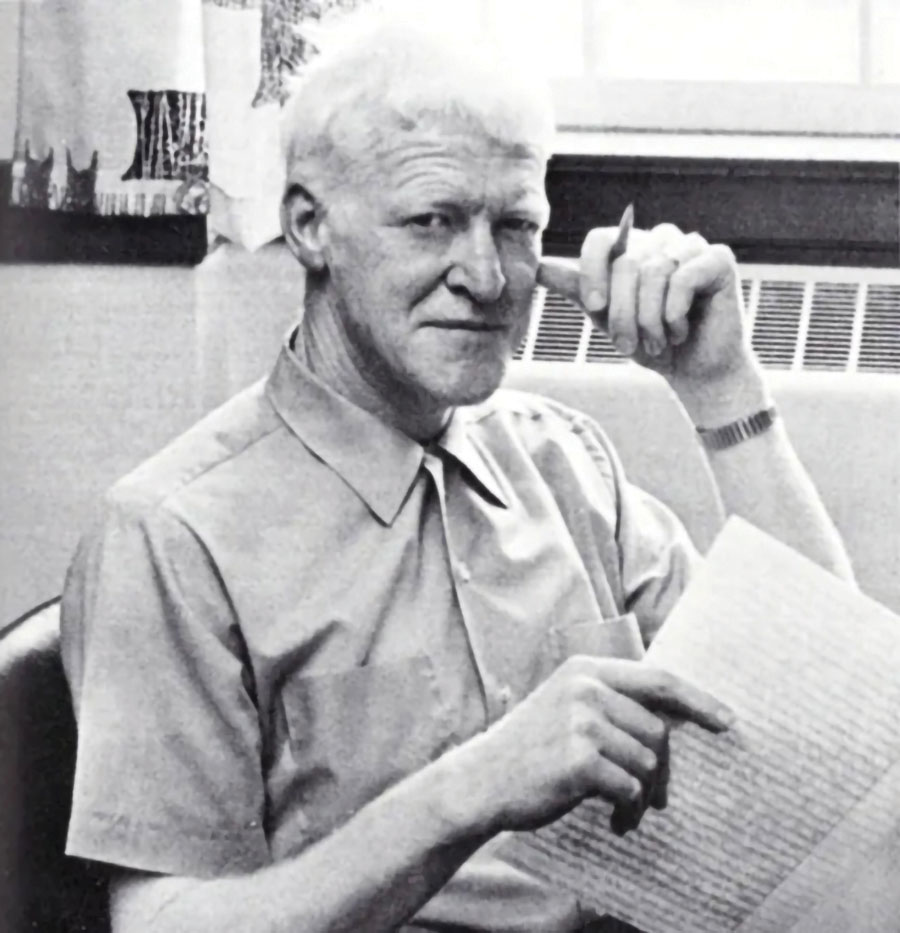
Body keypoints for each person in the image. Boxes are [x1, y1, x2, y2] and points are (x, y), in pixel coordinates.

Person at [59, 9, 854, 933]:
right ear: (311, 227)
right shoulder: (172, 534)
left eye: (515, 225)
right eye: (433, 221)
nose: (486, 277)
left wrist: (723, 389)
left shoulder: (570, 464)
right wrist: (465, 792)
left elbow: (830, 733)